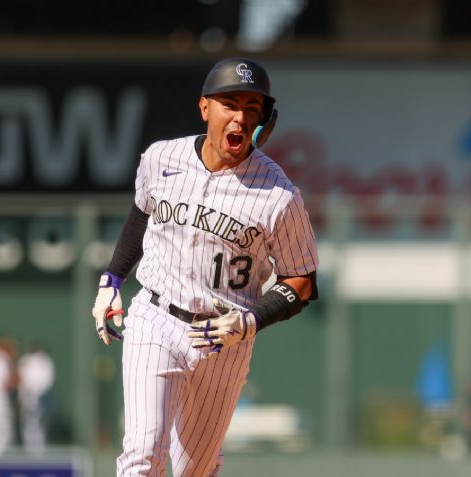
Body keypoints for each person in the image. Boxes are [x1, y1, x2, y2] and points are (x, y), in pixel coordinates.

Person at [92, 57, 319, 476]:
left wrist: (250, 321)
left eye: (252, 108)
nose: (240, 118)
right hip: (156, 318)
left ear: (264, 119)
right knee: (143, 455)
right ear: (204, 108)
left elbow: (302, 280)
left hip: (223, 338)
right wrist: (112, 279)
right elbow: (142, 213)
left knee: (195, 469)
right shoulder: (161, 157)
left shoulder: (279, 195)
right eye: (229, 104)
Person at [17, 344, 55, 454]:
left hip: (41, 397)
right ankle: (30, 452)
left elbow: (47, 382)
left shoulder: (45, 361)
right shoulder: (25, 360)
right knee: (28, 426)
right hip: (27, 397)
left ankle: (38, 453)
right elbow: (22, 380)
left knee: (40, 426)